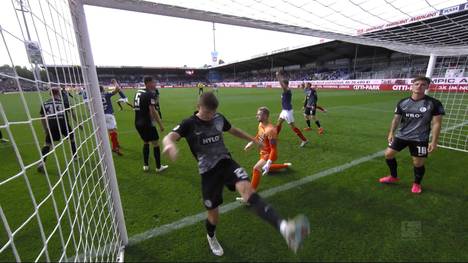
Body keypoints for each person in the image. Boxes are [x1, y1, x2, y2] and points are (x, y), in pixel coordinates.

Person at [162, 92, 310, 256]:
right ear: (198, 108)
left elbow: (233, 130)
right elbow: (169, 137)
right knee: (213, 214)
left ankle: (284, 228)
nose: (210, 116)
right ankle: (211, 236)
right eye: (207, 113)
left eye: (212, 113)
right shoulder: (189, 124)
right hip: (208, 172)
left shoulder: (218, 118)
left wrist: (253, 140)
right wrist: (169, 145)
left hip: (226, 163)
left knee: (248, 192)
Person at [379, 76, 445, 194]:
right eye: (417, 84)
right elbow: (396, 119)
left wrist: (434, 142)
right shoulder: (403, 102)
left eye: (423, 84)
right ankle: (393, 176)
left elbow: (436, 123)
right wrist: (391, 133)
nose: (419, 86)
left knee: (418, 163)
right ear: (412, 85)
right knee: (388, 154)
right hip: (401, 135)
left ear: (427, 87)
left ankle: (416, 183)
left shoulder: (434, 103)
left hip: (420, 138)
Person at [243, 106, 291, 190]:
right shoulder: (260, 124)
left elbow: (273, 149)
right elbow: (259, 135)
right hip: (263, 152)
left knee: (256, 168)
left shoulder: (271, 130)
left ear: (265, 116)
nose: (256, 116)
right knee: (267, 168)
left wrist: (269, 161)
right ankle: (285, 165)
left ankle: (250, 194)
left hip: (269, 154)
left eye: (258, 114)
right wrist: (251, 143)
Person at [37, 88, 77, 173]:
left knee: (47, 144)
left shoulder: (45, 103)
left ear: (50, 94)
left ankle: (41, 162)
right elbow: (72, 112)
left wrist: (45, 129)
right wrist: (78, 122)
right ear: (59, 93)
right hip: (64, 124)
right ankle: (75, 156)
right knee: (72, 139)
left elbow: (43, 118)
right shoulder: (64, 102)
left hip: (52, 126)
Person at [134, 76, 168, 173]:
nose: (155, 84)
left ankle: (146, 165)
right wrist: (160, 125)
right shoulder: (150, 94)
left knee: (146, 142)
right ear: (148, 83)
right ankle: (158, 167)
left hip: (137, 122)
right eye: (154, 82)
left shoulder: (138, 92)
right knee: (156, 143)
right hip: (147, 123)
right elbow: (153, 111)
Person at [275, 70, 308, 147]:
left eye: (283, 84)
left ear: (285, 84)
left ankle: (304, 140)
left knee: (293, 126)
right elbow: (283, 84)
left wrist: (278, 76)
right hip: (284, 110)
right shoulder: (286, 90)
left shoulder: (286, 90)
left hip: (287, 111)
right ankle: (275, 136)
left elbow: (282, 84)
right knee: (278, 123)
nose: (281, 85)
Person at [101, 85, 123, 156]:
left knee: (111, 131)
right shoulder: (106, 94)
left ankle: (116, 144)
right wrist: (115, 84)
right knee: (113, 131)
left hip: (102, 116)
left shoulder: (96, 96)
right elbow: (116, 90)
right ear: (103, 90)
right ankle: (115, 147)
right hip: (109, 115)